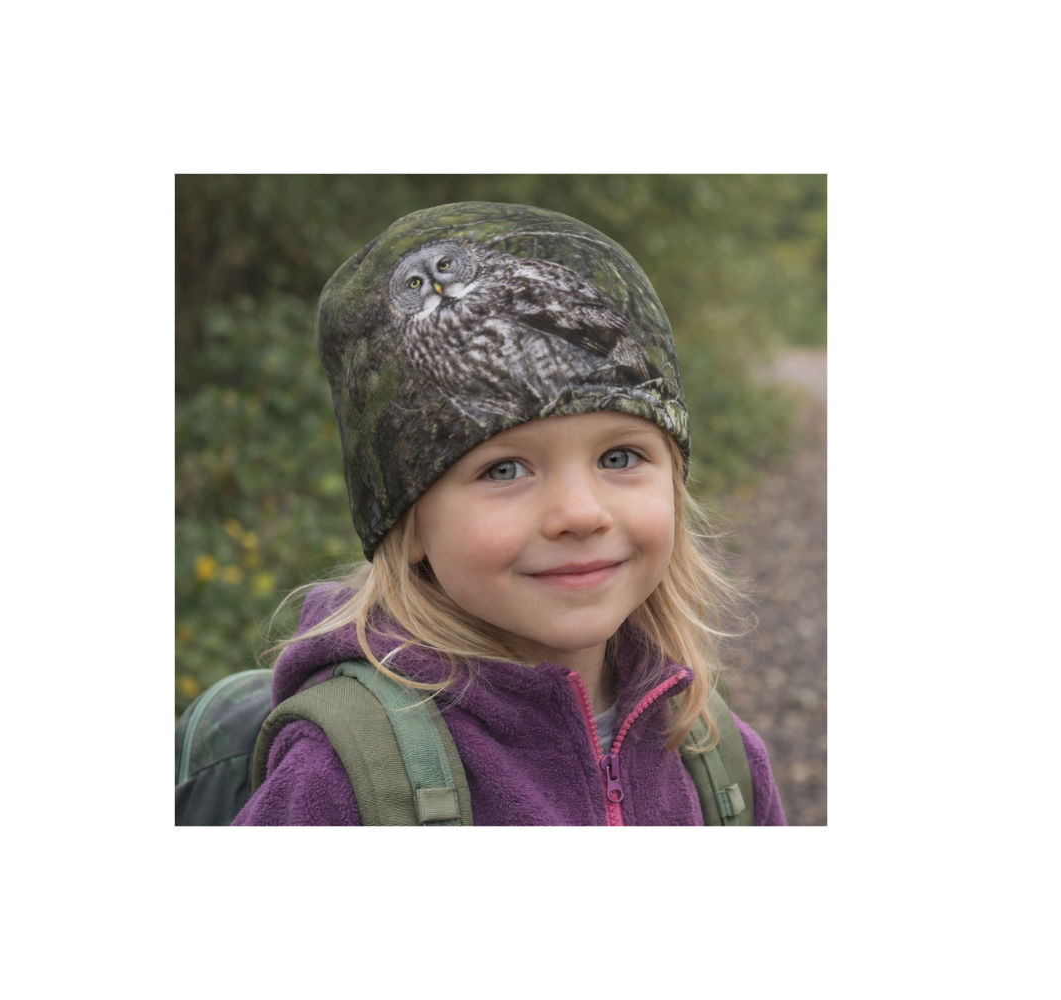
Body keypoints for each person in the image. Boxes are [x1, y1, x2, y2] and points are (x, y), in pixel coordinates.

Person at [232, 202, 786, 827]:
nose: (579, 514)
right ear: (406, 522)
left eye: (620, 455)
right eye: (504, 470)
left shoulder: (717, 757)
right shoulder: (342, 779)